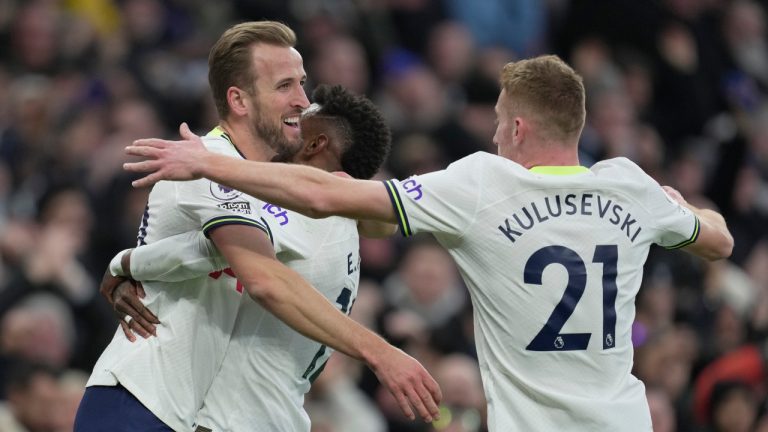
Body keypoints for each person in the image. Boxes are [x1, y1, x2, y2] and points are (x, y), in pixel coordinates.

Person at [125, 54, 735, 431]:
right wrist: (684, 209)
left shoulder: (482, 183)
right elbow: (719, 241)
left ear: (517, 126)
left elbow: (326, 196)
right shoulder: (630, 187)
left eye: (499, 120)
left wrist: (209, 163)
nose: (496, 134)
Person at [76, 21, 440, 432]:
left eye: (302, 83)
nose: (303, 101)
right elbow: (265, 279)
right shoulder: (204, 161)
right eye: (285, 86)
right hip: (139, 398)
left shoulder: (274, 184)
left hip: (187, 412)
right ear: (240, 101)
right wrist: (381, 353)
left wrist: (127, 263)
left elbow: (379, 224)